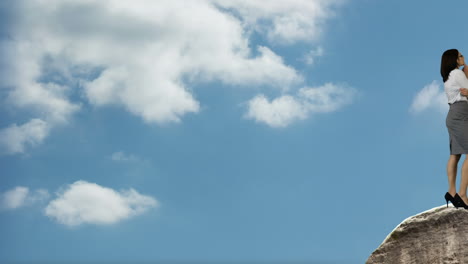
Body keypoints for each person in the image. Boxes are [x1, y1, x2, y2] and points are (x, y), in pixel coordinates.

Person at [441, 49, 468, 209]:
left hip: (455, 115)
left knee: (455, 155)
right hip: (460, 115)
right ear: (453, 59)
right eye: (460, 56)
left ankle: (451, 192)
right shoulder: (457, 74)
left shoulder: (449, 75)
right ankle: (462, 194)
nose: (463, 57)